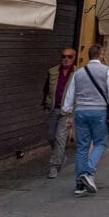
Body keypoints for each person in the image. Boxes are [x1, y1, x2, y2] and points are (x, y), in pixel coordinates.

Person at [61, 43, 109, 196]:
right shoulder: (107, 71)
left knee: (82, 147)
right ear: (101, 55)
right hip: (98, 111)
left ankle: (80, 184)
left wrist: (68, 113)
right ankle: (88, 172)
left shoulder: (78, 73)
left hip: (80, 111)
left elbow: (70, 94)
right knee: (100, 142)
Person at [42, 46, 77, 178]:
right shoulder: (53, 72)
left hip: (67, 111)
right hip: (54, 108)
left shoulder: (78, 74)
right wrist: (46, 103)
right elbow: (46, 89)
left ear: (74, 58)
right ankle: (60, 157)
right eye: (64, 56)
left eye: (69, 57)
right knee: (51, 136)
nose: (66, 59)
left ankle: (54, 166)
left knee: (60, 138)